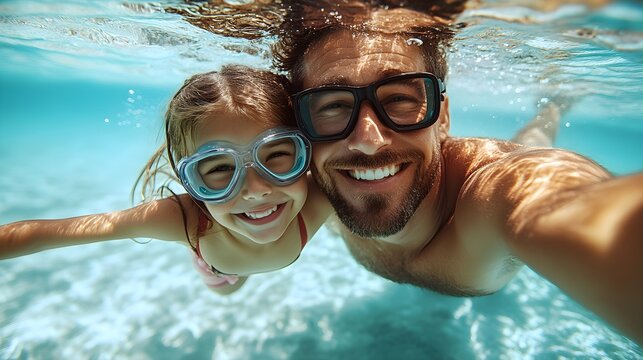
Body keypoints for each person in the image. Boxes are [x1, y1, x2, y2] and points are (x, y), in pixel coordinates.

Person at [272, 1, 643, 344]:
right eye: (333, 105)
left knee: (534, 139)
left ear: (443, 116)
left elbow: (571, 206)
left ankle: (552, 109)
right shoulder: (308, 186)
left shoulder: (497, 190)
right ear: (301, 127)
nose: (368, 141)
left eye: (399, 99)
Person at [0, 65, 331, 295]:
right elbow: (48, 234)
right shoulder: (185, 220)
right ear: (190, 181)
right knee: (227, 294)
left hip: (232, 242)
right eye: (219, 170)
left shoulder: (326, 194)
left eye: (276, 156)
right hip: (219, 270)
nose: (257, 190)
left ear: (306, 153)